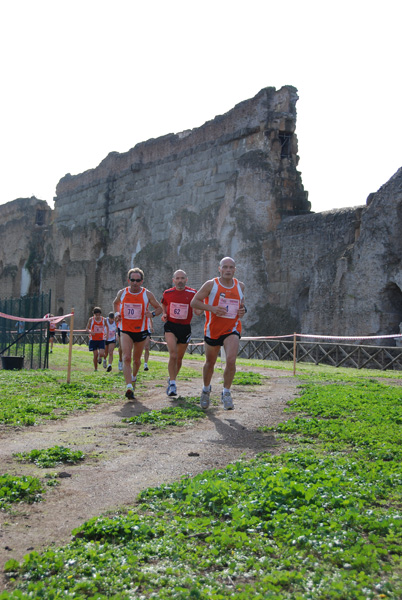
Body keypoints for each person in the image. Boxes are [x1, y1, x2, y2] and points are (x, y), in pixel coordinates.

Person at [190, 257, 246, 410]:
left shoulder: (240, 286)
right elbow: (194, 302)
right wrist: (212, 308)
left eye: (231, 267)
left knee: (231, 359)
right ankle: (206, 390)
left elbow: (242, 306)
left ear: (235, 269)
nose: (228, 270)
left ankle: (226, 392)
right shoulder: (211, 284)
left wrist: (243, 311)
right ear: (219, 269)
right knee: (210, 363)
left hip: (232, 328)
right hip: (213, 329)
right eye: (225, 267)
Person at [113, 268, 162, 400]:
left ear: (141, 281)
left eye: (138, 280)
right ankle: (129, 386)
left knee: (136, 360)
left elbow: (159, 308)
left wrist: (151, 314)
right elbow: (115, 303)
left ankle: (133, 378)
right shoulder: (122, 293)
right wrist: (117, 313)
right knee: (127, 357)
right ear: (128, 280)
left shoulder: (147, 294)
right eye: (132, 280)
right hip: (125, 330)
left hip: (141, 331)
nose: (135, 283)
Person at [161, 269, 203, 397]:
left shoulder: (192, 293)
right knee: (173, 355)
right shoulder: (167, 293)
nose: (180, 281)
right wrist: (164, 313)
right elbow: (163, 304)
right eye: (177, 278)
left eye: (182, 278)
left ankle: (172, 378)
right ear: (173, 280)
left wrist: (201, 310)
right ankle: (173, 384)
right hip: (171, 326)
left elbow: (197, 311)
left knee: (179, 358)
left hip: (185, 328)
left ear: (186, 280)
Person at [86, 307, 109, 372]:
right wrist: (91, 332)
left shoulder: (103, 319)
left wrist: (106, 334)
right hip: (93, 339)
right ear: (94, 314)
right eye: (96, 315)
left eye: (99, 314)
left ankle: (101, 358)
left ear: (100, 314)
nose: (98, 316)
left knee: (101, 353)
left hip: (101, 338)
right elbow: (87, 328)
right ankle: (96, 368)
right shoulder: (91, 319)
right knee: (95, 355)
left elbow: (107, 327)